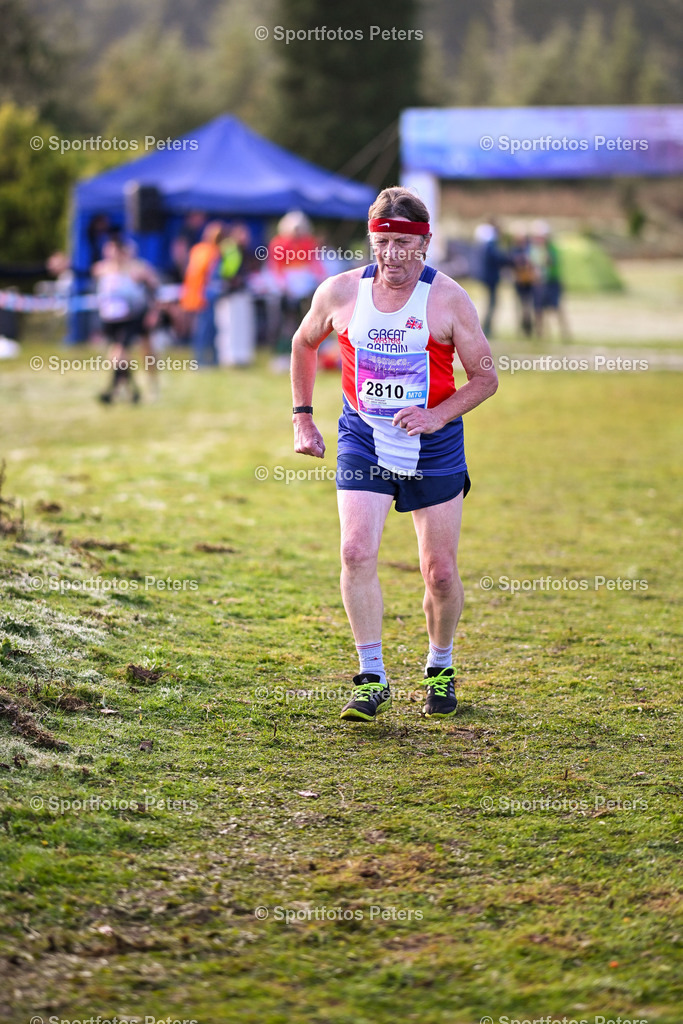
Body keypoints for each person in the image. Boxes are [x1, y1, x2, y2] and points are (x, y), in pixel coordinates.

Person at [291, 186, 498, 722]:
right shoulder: (340, 292)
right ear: (371, 242)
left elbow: (485, 378)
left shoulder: (448, 298)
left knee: (440, 574)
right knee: (356, 552)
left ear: (424, 244)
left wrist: (437, 414)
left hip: (433, 443)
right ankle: (371, 676)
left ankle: (441, 663)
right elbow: (303, 343)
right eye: (383, 243)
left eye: (405, 244)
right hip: (363, 436)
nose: (393, 256)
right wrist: (303, 416)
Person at [92, 237, 159, 403]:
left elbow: (154, 288)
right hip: (112, 319)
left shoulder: (138, 269)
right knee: (118, 354)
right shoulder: (102, 269)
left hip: (135, 316)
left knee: (142, 350)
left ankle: (146, 385)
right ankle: (130, 390)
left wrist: (153, 311)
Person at [181, 221, 225, 366]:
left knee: (202, 329)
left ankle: (204, 360)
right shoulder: (213, 252)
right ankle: (206, 361)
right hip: (206, 295)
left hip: (196, 294)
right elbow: (211, 276)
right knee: (207, 329)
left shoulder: (197, 249)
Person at [529, 221, 570, 342]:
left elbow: (553, 263)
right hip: (539, 282)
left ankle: (564, 333)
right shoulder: (533, 249)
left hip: (552, 281)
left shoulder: (552, 249)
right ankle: (540, 333)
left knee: (556, 308)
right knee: (538, 309)